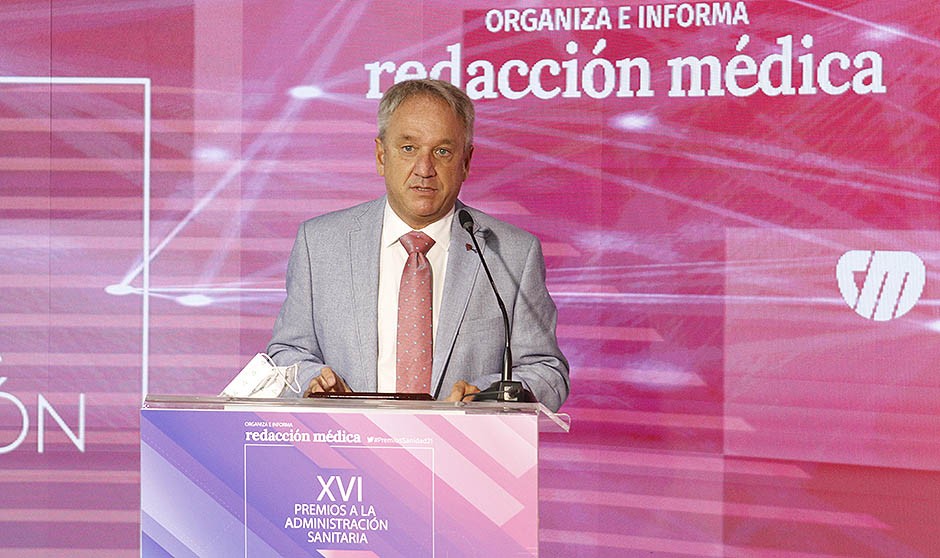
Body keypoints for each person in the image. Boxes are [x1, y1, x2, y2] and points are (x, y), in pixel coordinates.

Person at [266, 78, 569, 411]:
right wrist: (313, 382)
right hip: (347, 441)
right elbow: (286, 353)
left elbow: (547, 371)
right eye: (409, 148)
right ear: (381, 155)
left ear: (466, 161)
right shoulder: (320, 244)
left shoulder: (511, 253)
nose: (425, 169)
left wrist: (485, 396)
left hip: (464, 443)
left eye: (442, 151)